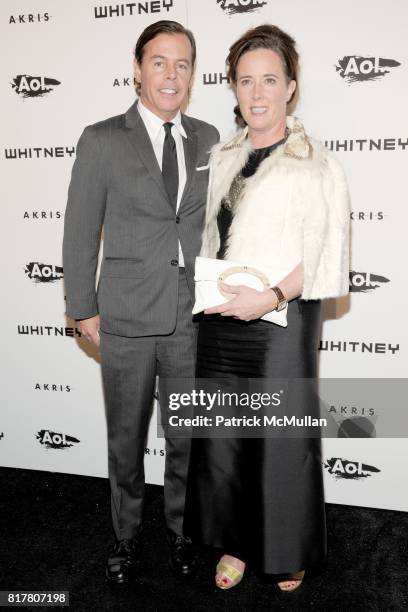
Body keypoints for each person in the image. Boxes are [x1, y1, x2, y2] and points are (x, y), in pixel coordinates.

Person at [184, 24, 350, 592]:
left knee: (280, 441)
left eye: (269, 81)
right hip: (223, 320)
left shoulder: (316, 164)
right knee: (225, 439)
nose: (256, 93)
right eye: (245, 81)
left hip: (282, 320)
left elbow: (327, 257)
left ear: (291, 88)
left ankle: (285, 549)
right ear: (233, 88)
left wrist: (272, 296)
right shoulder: (222, 157)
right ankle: (234, 542)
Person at [62, 20, 219, 583]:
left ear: (193, 74)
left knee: (186, 439)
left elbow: (221, 228)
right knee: (125, 441)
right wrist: (82, 307)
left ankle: (181, 532)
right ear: (137, 68)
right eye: (159, 62)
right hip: (124, 317)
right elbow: (80, 228)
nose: (170, 75)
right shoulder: (102, 138)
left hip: (191, 318)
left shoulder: (210, 138)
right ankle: (126, 538)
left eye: (181, 64)